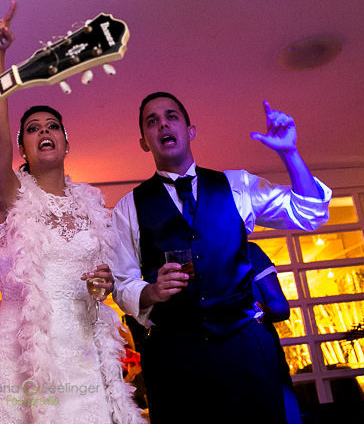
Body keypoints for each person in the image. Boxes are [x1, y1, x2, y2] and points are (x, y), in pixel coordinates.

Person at [111, 92, 331, 424]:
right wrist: (151, 292)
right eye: (151, 121)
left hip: (243, 344)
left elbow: (309, 213)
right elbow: (121, 282)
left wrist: (290, 153)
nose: (163, 125)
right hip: (174, 353)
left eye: (171, 116)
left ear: (190, 129)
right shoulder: (128, 207)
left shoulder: (237, 184)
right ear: (144, 142)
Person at [0, 3, 144, 424]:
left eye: (52, 126)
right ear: (23, 151)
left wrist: (103, 283)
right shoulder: (9, 195)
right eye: (33, 129)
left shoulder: (91, 205)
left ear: (66, 144)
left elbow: (100, 280)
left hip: (88, 350)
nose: (44, 132)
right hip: (28, 351)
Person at [249, 241, 302, 424]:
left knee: (285, 414)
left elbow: (281, 306)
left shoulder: (250, 251)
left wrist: (262, 310)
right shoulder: (191, 257)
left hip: (263, 356)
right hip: (215, 363)